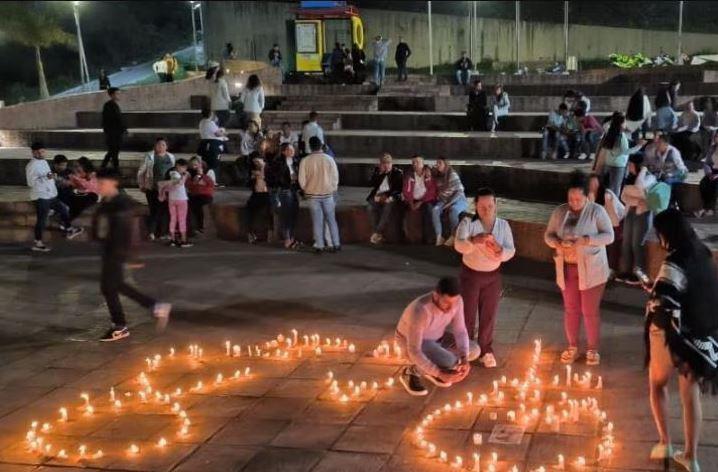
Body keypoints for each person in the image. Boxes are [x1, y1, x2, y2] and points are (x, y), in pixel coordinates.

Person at [645, 208, 718, 472]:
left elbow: (662, 302)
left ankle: (665, 442)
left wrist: (654, 295)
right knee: (691, 395)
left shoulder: (673, 262)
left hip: (673, 337)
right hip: (699, 338)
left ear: (667, 235)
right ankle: (691, 456)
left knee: (657, 384)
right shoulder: (702, 254)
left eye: (659, 233)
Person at [544, 171, 614, 366]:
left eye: (578, 199)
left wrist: (587, 240)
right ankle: (572, 345)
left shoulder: (597, 211)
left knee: (589, 310)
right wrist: (556, 242)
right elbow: (548, 235)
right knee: (571, 309)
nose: (574, 203)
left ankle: (592, 349)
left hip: (592, 269)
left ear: (586, 196)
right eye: (571, 198)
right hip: (567, 268)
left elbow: (609, 236)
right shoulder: (560, 212)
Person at [92, 168, 171, 342]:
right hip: (109, 248)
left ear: (113, 183)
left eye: (102, 183)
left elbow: (133, 228)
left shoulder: (122, 203)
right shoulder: (107, 201)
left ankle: (120, 326)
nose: (99, 186)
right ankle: (155, 306)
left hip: (117, 250)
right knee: (116, 285)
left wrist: (133, 254)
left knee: (108, 287)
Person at [455, 187, 516, 368]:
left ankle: (485, 350)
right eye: (482, 207)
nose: (487, 210)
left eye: (490, 206)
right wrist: (474, 241)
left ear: (496, 204)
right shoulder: (468, 223)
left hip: (492, 277)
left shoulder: (503, 225)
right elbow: (459, 245)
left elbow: (511, 250)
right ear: (475, 205)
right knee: (467, 314)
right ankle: (464, 350)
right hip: (470, 275)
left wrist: (499, 250)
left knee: (489, 314)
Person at [395, 277, 480, 396]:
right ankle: (412, 371)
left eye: (453, 302)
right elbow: (414, 350)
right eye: (446, 303)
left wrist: (464, 359)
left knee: (474, 350)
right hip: (412, 342)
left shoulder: (458, 301)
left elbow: (460, 331)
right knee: (450, 361)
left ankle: (433, 365)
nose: (451, 308)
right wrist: (440, 374)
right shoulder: (420, 310)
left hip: (438, 339)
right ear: (435, 295)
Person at [26, 142, 83, 252]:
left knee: (64, 209)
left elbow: (47, 176)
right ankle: (38, 243)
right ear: (33, 153)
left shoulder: (43, 161)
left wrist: (52, 177)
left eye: (42, 151)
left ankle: (69, 228)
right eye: (38, 152)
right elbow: (30, 183)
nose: (41, 153)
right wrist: (47, 177)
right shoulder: (31, 165)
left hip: (50, 195)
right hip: (41, 196)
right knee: (42, 220)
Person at [616, 154, 656, 284]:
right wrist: (637, 198)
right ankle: (625, 271)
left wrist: (643, 171)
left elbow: (639, 188)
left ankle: (639, 275)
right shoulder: (629, 178)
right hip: (630, 212)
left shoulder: (650, 177)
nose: (629, 166)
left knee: (637, 244)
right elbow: (623, 196)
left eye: (631, 164)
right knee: (626, 243)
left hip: (643, 214)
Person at [298, 136, 340, 253]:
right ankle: (336, 243)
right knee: (331, 220)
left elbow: (301, 180)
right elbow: (335, 176)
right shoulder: (329, 159)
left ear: (310, 147)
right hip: (328, 193)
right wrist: (332, 188)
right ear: (321, 145)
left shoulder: (305, 160)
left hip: (313, 194)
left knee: (317, 221)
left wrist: (306, 189)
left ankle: (319, 246)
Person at [137, 137, 175, 240]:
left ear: (166, 146)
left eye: (163, 145)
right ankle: (152, 232)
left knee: (164, 210)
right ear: (155, 146)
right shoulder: (149, 156)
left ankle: (162, 232)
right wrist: (141, 185)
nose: (161, 147)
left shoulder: (171, 157)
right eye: (159, 144)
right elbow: (141, 172)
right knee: (154, 209)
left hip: (166, 188)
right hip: (152, 187)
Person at [600, 112, 645, 196]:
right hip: (618, 165)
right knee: (616, 188)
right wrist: (639, 145)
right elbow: (626, 151)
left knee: (609, 187)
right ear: (621, 123)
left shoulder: (609, 131)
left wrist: (614, 118)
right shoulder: (621, 136)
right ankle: (614, 205)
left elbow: (605, 125)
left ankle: (607, 203)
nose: (625, 123)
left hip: (609, 163)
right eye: (624, 121)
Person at [587, 173, 625, 272]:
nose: (592, 186)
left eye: (595, 183)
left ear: (600, 184)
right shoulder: (587, 197)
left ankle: (611, 268)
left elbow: (614, 221)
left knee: (612, 239)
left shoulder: (606, 195)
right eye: (590, 183)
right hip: (604, 223)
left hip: (618, 221)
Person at [367, 153, 403, 245]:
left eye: (388, 163)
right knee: (370, 208)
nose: (386, 165)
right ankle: (378, 234)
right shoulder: (378, 171)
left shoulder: (397, 173)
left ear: (391, 163)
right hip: (378, 196)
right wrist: (379, 174)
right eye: (384, 163)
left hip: (390, 197)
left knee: (388, 207)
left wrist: (389, 197)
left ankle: (377, 232)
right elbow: (371, 184)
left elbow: (398, 189)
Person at [432, 157, 468, 247]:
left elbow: (459, 191)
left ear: (445, 164)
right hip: (444, 200)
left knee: (453, 211)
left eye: (440, 163)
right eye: (437, 163)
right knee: (435, 210)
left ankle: (453, 236)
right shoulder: (437, 175)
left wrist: (449, 204)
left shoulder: (452, 174)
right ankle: (439, 237)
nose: (437, 165)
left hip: (459, 199)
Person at [271, 143, 301, 249]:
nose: (291, 151)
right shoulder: (279, 163)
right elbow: (277, 178)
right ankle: (287, 239)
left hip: (294, 190)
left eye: (292, 148)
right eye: (288, 149)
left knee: (294, 214)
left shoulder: (296, 162)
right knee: (286, 215)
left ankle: (291, 237)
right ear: (283, 151)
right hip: (285, 190)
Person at [402, 156, 437, 243]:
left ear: (422, 164)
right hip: (412, 200)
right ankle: (403, 236)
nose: (415, 164)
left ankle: (427, 238)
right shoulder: (409, 175)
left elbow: (432, 191)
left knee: (428, 209)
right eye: (413, 162)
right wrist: (411, 203)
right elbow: (407, 191)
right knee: (399, 208)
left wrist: (420, 202)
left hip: (425, 200)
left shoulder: (428, 174)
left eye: (417, 162)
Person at [161, 158, 192, 248]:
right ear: (178, 166)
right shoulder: (176, 175)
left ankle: (173, 239)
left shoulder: (170, 173)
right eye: (184, 167)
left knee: (173, 219)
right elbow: (180, 183)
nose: (185, 169)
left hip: (172, 199)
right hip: (181, 199)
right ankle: (183, 240)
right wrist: (185, 176)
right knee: (182, 220)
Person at [244, 154, 272, 244]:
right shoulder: (253, 171)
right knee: (250, 211)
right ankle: (251, 233)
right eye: (254, 162)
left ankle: (269, 234)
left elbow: (266, 178)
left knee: (268, 212)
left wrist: (263, 167)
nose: (256, 163)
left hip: (266, 194)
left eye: (257, 161)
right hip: (256, 194)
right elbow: (251, 181)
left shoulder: (268, 168)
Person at [186, 157, 215, 235]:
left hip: (205, 194)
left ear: (200, 164)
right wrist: (194, 183)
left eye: (196, 164)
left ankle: (201, 227)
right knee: (191, 206)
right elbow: (188, 185)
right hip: (194, 194)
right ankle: (193, 228)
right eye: (192, 165)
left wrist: (202, 175)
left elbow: (212, 184)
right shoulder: (189, 173)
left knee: (201, 206)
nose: (194, 167)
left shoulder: (209, 171)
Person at [197, 108, 228, 180]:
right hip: (212, 145)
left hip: (205, 144)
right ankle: (212, 180)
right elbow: (217, 134)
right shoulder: (209, 122)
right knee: (214, 164)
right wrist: (224, 133)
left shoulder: (202, 122)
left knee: (206, 163)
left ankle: (205, 179)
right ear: (210, 114)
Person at [101, 87, 126, 169]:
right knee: (113, 152)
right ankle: (112, 168)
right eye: (117, 94)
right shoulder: (108, 105)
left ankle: (105, 167)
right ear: (112, 95)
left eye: (119, 93)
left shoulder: (114, 105)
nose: (119, 95)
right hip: (112, 134)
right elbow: (110, 120)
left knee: (113, 152)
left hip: (116, 133)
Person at [696, 131, 718, 218]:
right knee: (703, 183)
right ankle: (705, 207)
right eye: (715, 136)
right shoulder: (712, 148)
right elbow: (707, 163)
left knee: (715, 185)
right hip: (712, 171)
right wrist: (709, 173)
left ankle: (710, 209)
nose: (716, 138)